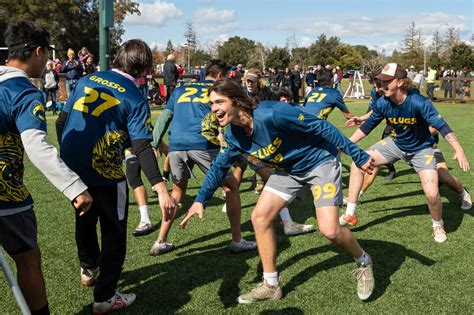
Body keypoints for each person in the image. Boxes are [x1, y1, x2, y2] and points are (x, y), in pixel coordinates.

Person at [180, 79, 376, 303]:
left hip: (319, 161)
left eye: (219, 102)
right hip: (288, 170)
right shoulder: (234, 136)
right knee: (260, 217)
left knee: (330, 230)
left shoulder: (274, 113)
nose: (213, 109)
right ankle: (271, 285)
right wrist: (200, 200)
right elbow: (219, 167)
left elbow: (321, 126)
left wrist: (357, 154)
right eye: (211, 104)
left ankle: (363, 260)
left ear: (237, 102)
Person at [56, 39, 177, 313]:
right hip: (105, 171)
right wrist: (160, 187)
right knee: (114, 232)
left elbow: (62, 122)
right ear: (144, 68)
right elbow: (143, 146)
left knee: (84, 216)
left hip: (72, 166)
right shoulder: (134, 96)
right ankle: (105, 296)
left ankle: (88, 267)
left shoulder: (88, 78)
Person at [1, 20, 92, 315]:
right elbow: (36, 145)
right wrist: (74, 186)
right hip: (6, 196)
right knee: (28, 259)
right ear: (38, 52)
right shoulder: (23, 91)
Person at [342, 63, 470, 243]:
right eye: (380, 81)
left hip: (422, 149)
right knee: (358, 161)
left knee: (433, 192)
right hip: (396, 144)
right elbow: (367, 126)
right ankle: (350, 213)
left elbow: (442, 126)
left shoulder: (418, 101)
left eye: (387, 81)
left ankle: (438, 223)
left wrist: (459, 149)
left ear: (401, 82)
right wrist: (345, 145)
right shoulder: (382, 102)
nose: (382, 85)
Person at [151, 60, 256, 255]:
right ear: (219, 77)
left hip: (176, 146)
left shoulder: (181, 90)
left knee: (177, 192)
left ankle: (160, 241)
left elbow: (165, 117)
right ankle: (237, 240)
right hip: (202, 144)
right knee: (231, 186)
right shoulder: (218, 91)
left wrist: (154, 142)